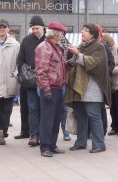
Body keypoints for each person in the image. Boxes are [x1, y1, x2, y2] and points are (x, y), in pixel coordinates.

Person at [63, 24, 110, 154]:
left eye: (85, 31)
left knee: (94, 116)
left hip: (92, 87)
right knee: (80, 115)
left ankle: (99, 144)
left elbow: (94, 63)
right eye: (82, 30)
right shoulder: (81, 45)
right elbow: (74, 62)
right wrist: (69, 57)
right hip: (78, 87)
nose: (82, 32)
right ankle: (81, 142)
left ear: (93, 34)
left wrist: (77, 54)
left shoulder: (98, 46)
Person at [34, 22, 68, 157]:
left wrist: (70, 62)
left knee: (56, 119)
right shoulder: (44, 47)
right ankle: (45, 147)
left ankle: (52, 145)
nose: (63, 37)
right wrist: (46, 89)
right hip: (50, 88)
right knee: (47, 119)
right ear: (57, 34)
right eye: (62, 34)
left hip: (59, 87)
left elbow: (60, 66)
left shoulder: (56, 47)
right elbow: (41, 71)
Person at [15, 16, 45, 145]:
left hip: (46, 81)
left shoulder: (50, 40)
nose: (35, 31)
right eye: (33, 28)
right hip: (31, 82)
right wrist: (24, 73)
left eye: (37, 28)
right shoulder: (26, 40)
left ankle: (44, 134)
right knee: (32, 108)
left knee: (45, 109)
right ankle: (34, 135)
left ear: (43, 27)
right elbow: (20, 59)